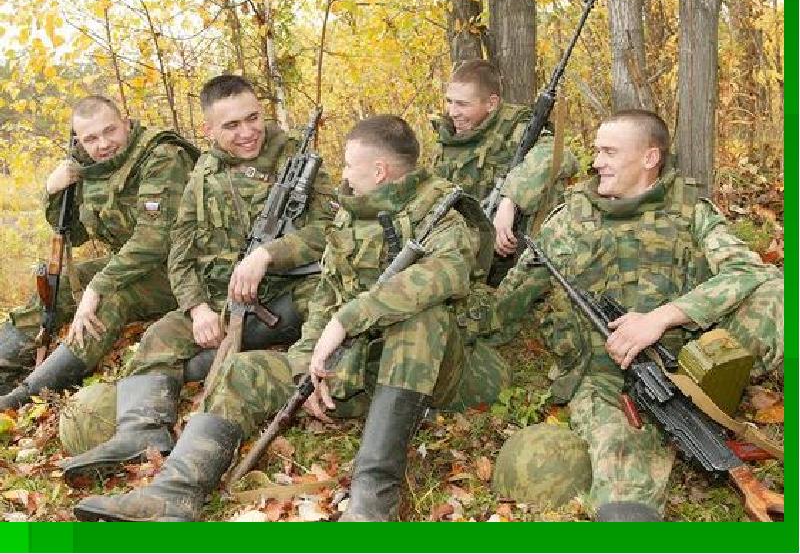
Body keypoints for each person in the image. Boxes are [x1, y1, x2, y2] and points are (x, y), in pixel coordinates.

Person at [72, 114, 510, 522]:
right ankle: (174, 493)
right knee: (240, 370)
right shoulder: (350, 213)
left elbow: (446, 274)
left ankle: (373, 499)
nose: (342, 174)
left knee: (420, 321)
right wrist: (306, 365)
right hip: (362, 370)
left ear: (379, 171)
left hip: (435, 375)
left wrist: (347, 320)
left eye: (349, 165)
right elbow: (326, 296)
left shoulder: (444, 212)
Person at [491, 109, 783, 521]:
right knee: (622, 478)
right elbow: (507, 304)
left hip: (693, 364)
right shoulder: (571, 220)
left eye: (609, 152)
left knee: (780, 293)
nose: (596, 162)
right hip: (609, 376)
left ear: (650, 158)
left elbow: (747, 270)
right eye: (596, 151)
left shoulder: (690, 211)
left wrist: (662, 317)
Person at [57, 75, 335, 479]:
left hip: (292, 291)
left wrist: (268, 254)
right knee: (159, 338)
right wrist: (197, 307)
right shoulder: (202, 173)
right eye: (231, 125)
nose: (247, 132)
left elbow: (330, 228)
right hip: (225, 299)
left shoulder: (296, 159)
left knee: (325, 315)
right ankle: (142, 434)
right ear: (208, 130)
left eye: (253, 118)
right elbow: (179, 252)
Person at [0, 97, 198, 409]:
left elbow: (155, 239)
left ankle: (27, 395)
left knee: (111, 297)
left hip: (187, 269)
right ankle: (4, 367)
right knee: (57, 283)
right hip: (138, 265)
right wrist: (53, 192)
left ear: (126, 122)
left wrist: (97, 287)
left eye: (110, 131)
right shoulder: (87, 166)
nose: (103, 144)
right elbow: (75, 234)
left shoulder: (163, 156)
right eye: (91, 138)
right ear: (79, 140)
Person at [430, 59, 577, 285]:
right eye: (449, 101)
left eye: (462, 104)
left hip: (513, 254)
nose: (452, 112)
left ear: (491, 103)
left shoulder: (516, 127)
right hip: (464, 249)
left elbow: (558, 156)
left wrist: (510, 200)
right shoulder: (448, 136)